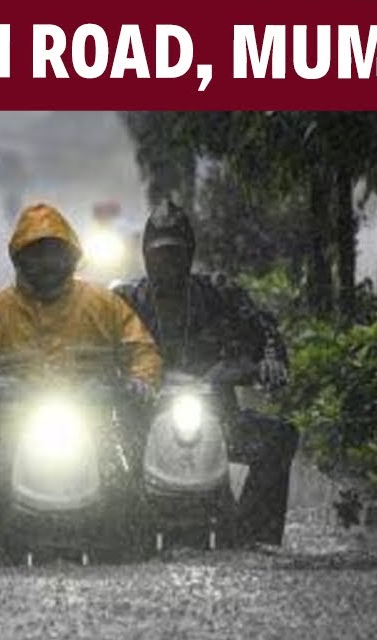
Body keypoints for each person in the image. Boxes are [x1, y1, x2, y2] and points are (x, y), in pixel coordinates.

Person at [0, 203, 163, 567]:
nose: (46, 265)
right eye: (36, 255)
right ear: (20, 259)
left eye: (54, 254)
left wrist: (141, 382)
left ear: (71, 256)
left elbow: (142, 350)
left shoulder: (103, 304)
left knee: (124, 488)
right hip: (11, 431)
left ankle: (136, 559)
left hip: (94, 428)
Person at [112, 200, 297, 549]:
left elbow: (265, 332)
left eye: (175, 254)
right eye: (159, 255)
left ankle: (253, 537)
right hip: (139, 423)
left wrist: (271, 362)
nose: (167, 263)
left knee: (279, 437)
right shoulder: (123, 301)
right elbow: (92, 344)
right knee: (93, 447)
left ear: (189, 254)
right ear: (147, 256)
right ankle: (106, 539)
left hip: (215, 419)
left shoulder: (219, 293)